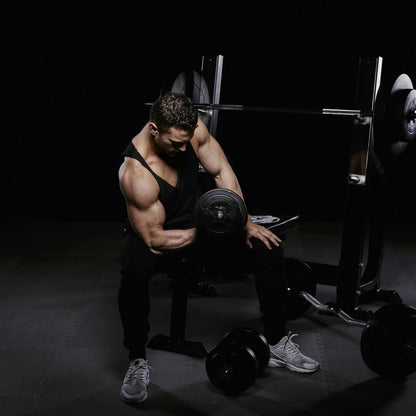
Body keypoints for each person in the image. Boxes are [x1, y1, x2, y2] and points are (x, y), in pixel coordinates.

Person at [117, 92, 319, 404]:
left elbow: (222, 172)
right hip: (157, 233)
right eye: (176, 143)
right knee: (133, 272)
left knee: (267, 248)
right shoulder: (136, 172)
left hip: (199, 219)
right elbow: (155, 239)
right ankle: (136, 359)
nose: (185, 150)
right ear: (154, 130)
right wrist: (209, 230)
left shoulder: (191, 129)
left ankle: (277, 340)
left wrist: (244, 219)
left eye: (188, 141)